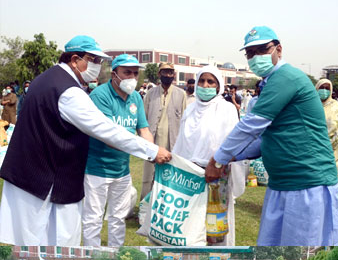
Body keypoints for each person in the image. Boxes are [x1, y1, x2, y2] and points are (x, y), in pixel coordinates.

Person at [0, 35, 171, 246]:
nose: (98, 67)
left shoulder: (47, 79)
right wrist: (152, 151)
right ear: (74, 60)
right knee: (52, 246)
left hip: (34, 174)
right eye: (93, 60)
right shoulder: (69, 92)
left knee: (37, 245)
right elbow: (106, 130)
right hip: (44, 178)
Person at [205, 26, 338, 246]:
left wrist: (219, 158)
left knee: (300, 251)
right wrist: (234, 156)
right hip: (282, 184)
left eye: (261, 50)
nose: (255, 57)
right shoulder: (269, 83)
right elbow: (265, 138)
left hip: (306, 183)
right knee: (272, 248)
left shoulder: (286, 77)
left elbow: (251, 125)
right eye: (250, 54)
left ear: (278, 49)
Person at [82, 55, 153, 247]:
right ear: (114, 74)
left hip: (122, 170)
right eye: (127, 72)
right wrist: (148, 150)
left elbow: (144, 129)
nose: (132, 77)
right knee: (93, 218)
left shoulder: (136, 97)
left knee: (118, 217)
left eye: (135, 73)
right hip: (97, 169)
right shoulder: (100, 96)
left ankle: (116, 257)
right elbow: (110, 138)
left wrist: (152, 152)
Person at [172, 65, 246, 245]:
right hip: (189, 177)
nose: (205, 85)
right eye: (202, 81)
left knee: (214, 229)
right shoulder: (190, 110)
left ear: (218, 85)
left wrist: (217, 165)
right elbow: (181, 143)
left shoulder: (226, 109)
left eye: (210, 81)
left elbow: (232, 144)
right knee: (191, 225)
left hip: (216, 177)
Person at [141, 62, 188, 199]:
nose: (167, 75)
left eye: (170, 72)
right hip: (152, 142)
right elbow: (143, 118)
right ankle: (145, 207)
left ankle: (166, 208)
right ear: (159, 74)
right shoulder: (150, 94)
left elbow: (185, 121)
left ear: (174, 75)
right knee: (149, 176)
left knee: (171, 177)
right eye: (164, 72)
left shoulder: (181, 94)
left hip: (173, 143)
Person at [315, 78, 338, 179]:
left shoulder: (336, 107)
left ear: (330, 90)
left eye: (326, 88)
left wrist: (326, 145)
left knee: (329, 179)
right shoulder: (312, 106)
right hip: (313, 150)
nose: (324, 91)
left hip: (331, 150)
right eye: (321, 88)